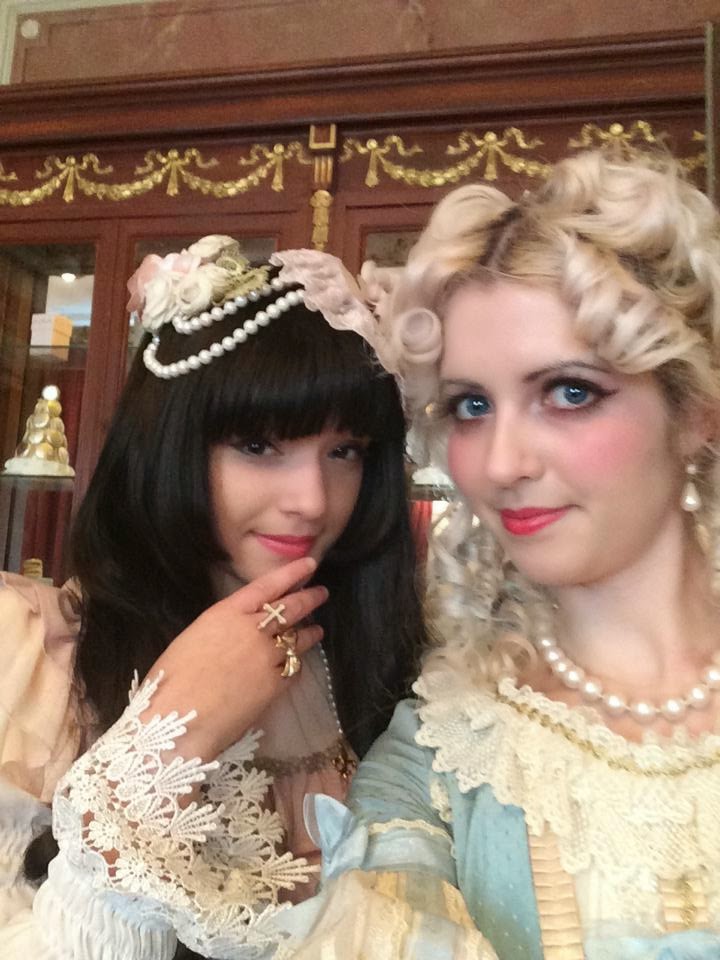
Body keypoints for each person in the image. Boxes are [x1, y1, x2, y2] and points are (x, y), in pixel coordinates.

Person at [268, 150, 720, 960]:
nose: (503, 463)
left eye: (570, 392)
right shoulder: (439, 761)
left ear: (695, 413)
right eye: (472, 405)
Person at [0, 238, 426, 958]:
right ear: (168, 444)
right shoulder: (29, 653)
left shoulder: (390, 655)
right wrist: (170, 732)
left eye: (344, 451)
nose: (312, 500)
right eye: (259, 445)